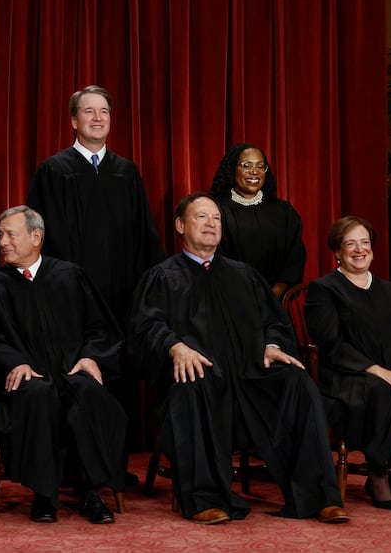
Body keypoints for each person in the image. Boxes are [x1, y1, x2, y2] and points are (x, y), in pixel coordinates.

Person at [126, 193, 348, 525]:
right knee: (191, 382)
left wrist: (272, 344)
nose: (211, 224)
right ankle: (205, 497)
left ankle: (319, 496)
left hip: (250, 375)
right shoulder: (162, 276)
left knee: (297, 383)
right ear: (179, 225)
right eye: (201, 217)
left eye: (216, 218)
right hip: (203, 380)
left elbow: (274, 321)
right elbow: (144, 327)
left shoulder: (244, 275)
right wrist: (174, 346)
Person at [26, 85, 164, 479]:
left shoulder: (127, 172)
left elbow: (144, 239)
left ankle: (113, 466)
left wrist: (146, 292)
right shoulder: (53, 170)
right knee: (73, 375)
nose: (98, 118)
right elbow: (39, 239)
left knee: (114, 377)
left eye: (104, 111)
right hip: (69, 299)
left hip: (121, 294)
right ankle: (72, 469)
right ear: (73, 120)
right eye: (89, 112)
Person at [0, 206, 127, 524]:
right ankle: (44, 494)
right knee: (38, 394)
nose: (3, 242)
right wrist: (16, 362)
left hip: (70, 371)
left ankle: (90, 491)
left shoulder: (70, 275)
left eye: (11, 234)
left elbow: (101, 327)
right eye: (0, 235)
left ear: (36, 237)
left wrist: (90, 356)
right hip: (21, 379)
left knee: (88, 393)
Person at [305, 216, 391, 510]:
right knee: (381, 393)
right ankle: (378, 471)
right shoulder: (324, 289)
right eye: (350, 244)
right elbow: (330, 343)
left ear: (373, 249)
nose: (359, 250)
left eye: (365, 243)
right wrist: (379, 371)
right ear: (338, 252)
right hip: (346, 376)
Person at [208, 143, 306, 299]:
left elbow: (295, 256)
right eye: (246, 165)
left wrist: (276, 292)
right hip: (233, 299)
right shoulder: (217, 210)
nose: (254, 172)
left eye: (261, 166)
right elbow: (216, 257)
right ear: (232, 169)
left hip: (277, 302)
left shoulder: (283, 211)